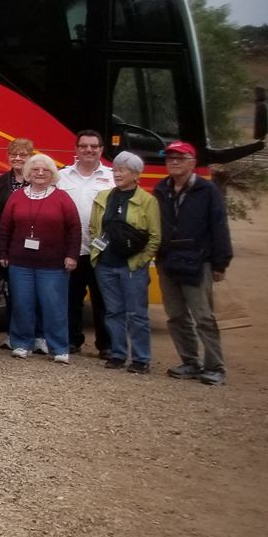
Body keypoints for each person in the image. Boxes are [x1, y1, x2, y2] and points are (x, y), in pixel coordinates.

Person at [154, 141, 233, 385]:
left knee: (203, 316)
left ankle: (215, 367)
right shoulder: (161, 189)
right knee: (176, 315)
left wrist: (220, 263)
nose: (174, 162)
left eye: (180, 157)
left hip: (198, 261)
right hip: (168, 261)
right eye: (170, 158)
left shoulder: (207, 191)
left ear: (192, 162)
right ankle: (190, 362)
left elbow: (219, 227)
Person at [0, 153, 81, 363]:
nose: (40, 173)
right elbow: (5, 227)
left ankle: (59, 347)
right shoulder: (17, 197)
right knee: (22, 304)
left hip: (53, 264)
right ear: (28, 173)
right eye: (35, 170)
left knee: (54, 306)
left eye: (45, 170)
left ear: (52, 174)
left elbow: (74, 229)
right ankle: (21, 343)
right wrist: (3, 253)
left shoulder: (62, 198)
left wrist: (72, 255)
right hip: (20, 262)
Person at [88, 151, 162, 373]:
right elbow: (94, 228)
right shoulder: (103, 197)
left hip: (131, 267)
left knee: (137, 314)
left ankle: (141, 358)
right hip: (105, 265)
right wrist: (96, 250)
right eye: (115, 170)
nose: (117, 174)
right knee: (113, 312)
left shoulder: (147, 201)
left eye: (123, 170)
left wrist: (140, 261)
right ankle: (118, 353)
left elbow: (155, 236)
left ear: (136, 174)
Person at [57, 130, 113, 357]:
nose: (89, 150)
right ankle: (72, 340)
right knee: (71, 298)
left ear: (101, 149)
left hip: (102, 250)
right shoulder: (62, 176)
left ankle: (106, 345)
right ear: (76, 149)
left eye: (94, 146)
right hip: (72, 249)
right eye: (84, 146)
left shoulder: (111, 177)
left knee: (103, 300)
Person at [0, 137, 34, 264]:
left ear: (30, 157)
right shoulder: (0, 182)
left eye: (22, 155)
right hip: (2, 245)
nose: (17, 158)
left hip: (30, 245)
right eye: (13, 154)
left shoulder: (37, 181)